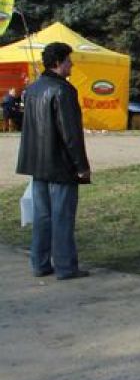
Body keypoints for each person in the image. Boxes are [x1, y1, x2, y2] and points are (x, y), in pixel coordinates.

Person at [16, 42, 91, 279]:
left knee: (42, 217)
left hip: (37, 164)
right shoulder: (63, 91)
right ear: (58, 62)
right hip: (59, 164)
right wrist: (81, 166)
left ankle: (39, 263)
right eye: (69, 60)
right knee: (62, 218)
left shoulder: (33, 88)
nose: (72, 64)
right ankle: (66, 267)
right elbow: (70, 134)